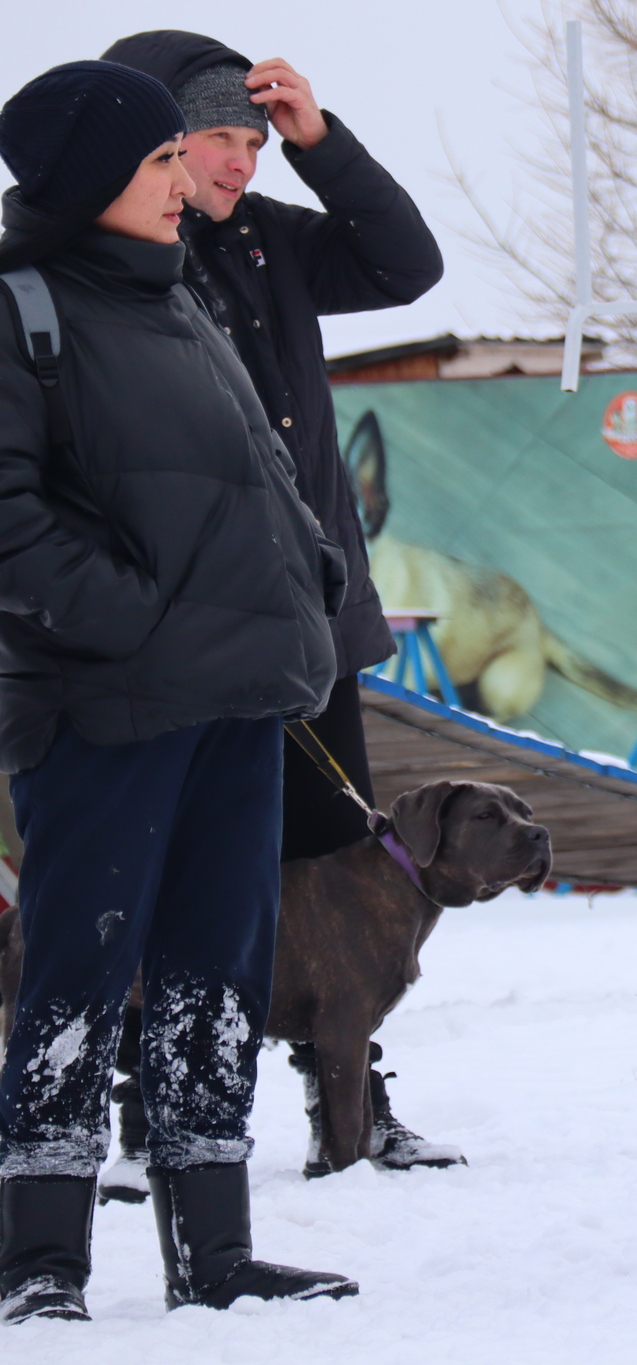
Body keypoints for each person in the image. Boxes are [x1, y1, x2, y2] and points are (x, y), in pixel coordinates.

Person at [0, 61, 356, 1322]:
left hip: (238, 698)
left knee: (217, 975)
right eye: (160, 164)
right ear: (94, 177)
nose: (182, 184)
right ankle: (40, 1263)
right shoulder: (21, 309)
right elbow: (9, 523)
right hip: (108, 706)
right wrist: (130, 623)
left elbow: (261, 467)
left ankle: (217, 1252)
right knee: (78, 975)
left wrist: (306, 578)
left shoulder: (177, 300)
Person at [94, 30, 454, 1182]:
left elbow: (408, 269)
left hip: (307, 624)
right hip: (178, 632)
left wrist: (322, 145)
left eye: (256, 141)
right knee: (168, 865)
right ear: (157, 138)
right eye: (221, 139)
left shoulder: (276, 240)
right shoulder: (113, 264)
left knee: (334, 856)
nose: (242, 162)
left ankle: (350, 1101)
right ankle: (150, 1108)